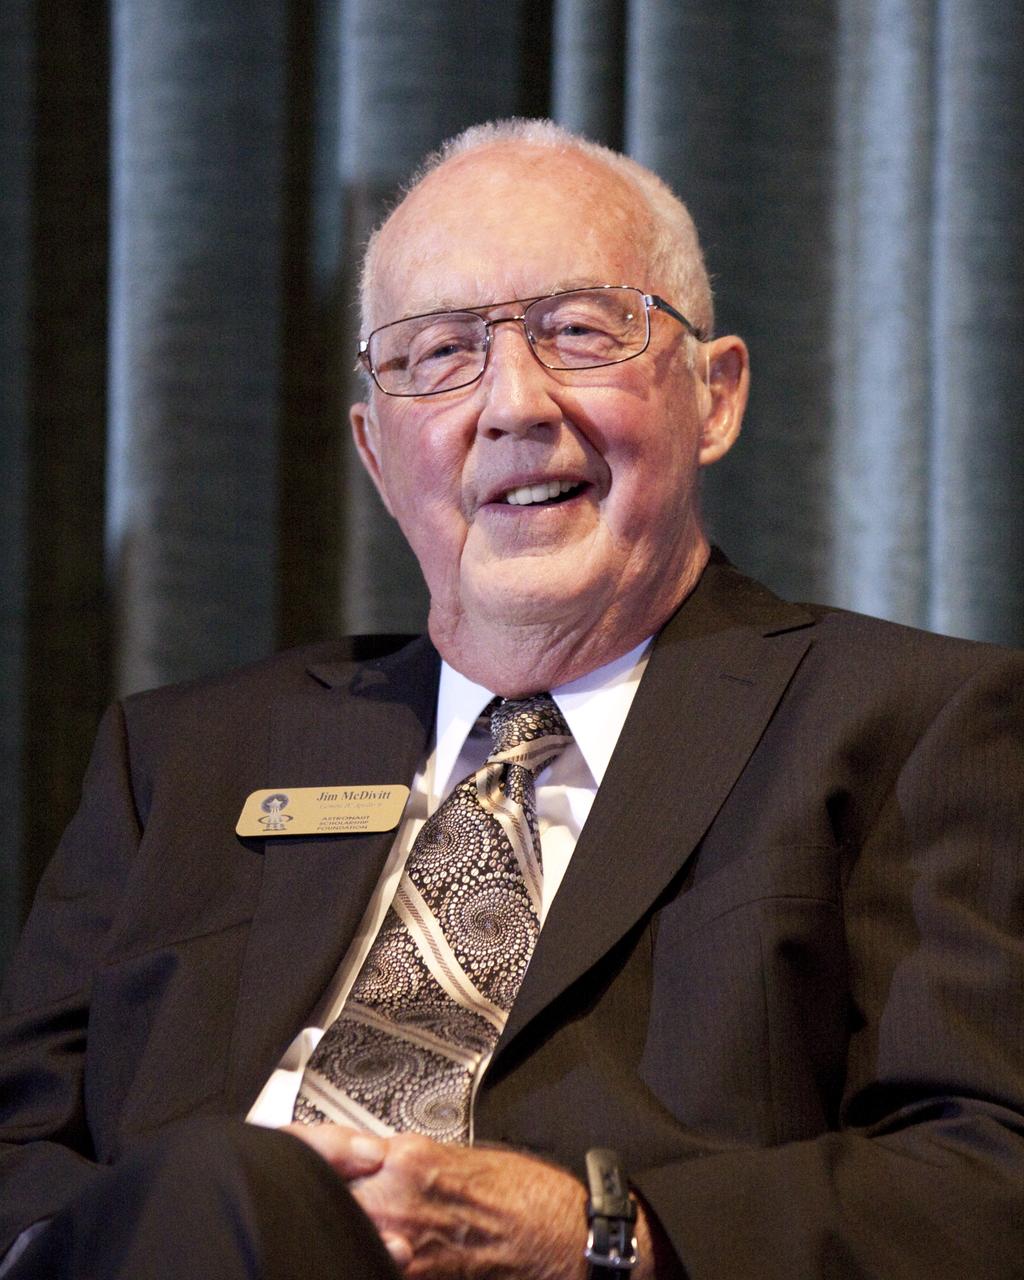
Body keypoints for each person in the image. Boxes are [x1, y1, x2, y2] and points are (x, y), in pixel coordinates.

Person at [1, 117, 1022, 1280]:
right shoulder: (183, 756)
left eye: (579, 331)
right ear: (378, 453)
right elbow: (22, 1153)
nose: (513, 405)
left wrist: (600, 1232)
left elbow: (986, 1175)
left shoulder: (910, 723)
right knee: (216, 1180)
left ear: (716, 395)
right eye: (438, 354)